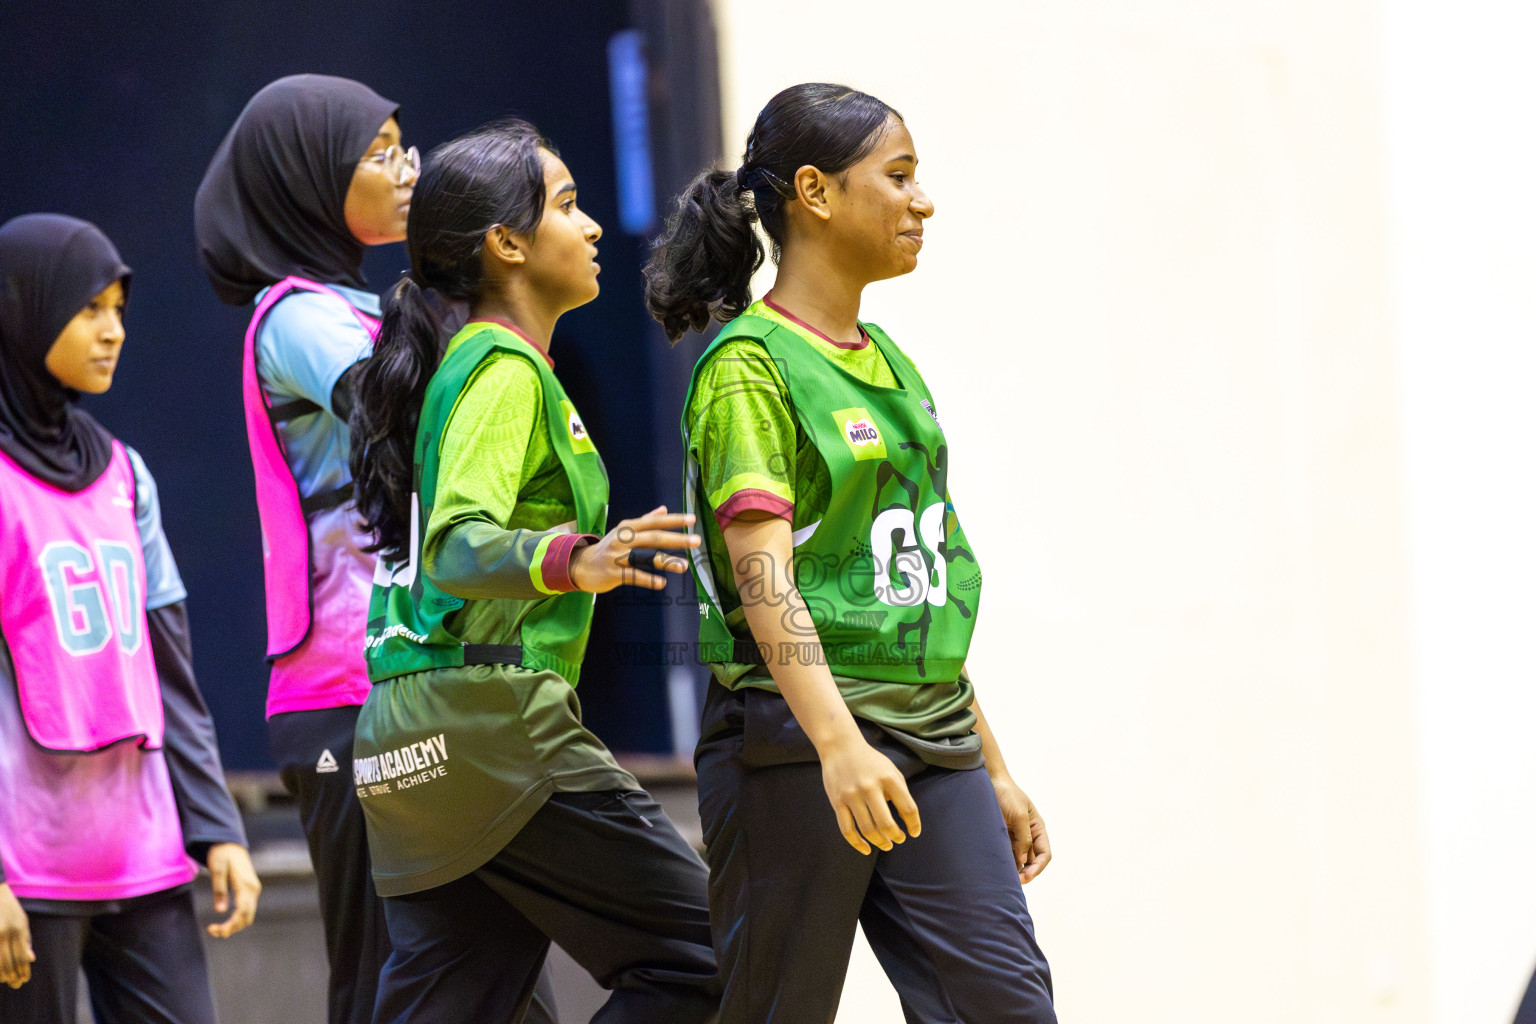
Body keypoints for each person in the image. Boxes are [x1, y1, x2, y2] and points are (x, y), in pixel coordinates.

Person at [645, 82, 1058, 1023]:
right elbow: (764, 576)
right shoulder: (749, 366)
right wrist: (838, 745)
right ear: (816, 193)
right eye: (901, 175)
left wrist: (988, 764)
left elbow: (914, 584)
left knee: (1008, 1008)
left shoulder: (891, 362)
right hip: (798, 744)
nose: (924, 201)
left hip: (933, 736)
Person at [348, 117, 719, 1024]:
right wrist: (578, 557)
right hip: (489, 731)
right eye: (567, 205)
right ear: (505, 245)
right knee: (713, 955)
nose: (592, 226)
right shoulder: (504, 368)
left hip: (404, 737)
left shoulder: (464, 365)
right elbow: (454, 545)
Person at [193, 74, 416, 1024]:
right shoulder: (294, 317)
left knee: (472, 970)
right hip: (346, 700)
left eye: (408, 147)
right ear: (308, 179)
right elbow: (414, 419)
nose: (409, 170)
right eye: (380, 154)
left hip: (410, 679)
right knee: (381, 979)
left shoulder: (363, 305)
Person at [0, 213, 260, 1023]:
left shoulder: (127, 476)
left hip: (141, 854)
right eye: (88, 311)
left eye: (119, 309)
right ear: (24, 311)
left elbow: (170, 671)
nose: (113, 332)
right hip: (24, 866)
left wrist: (215, 827)